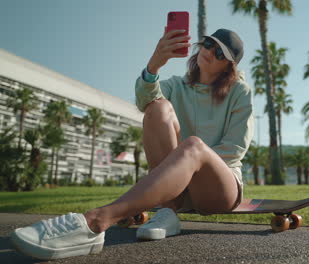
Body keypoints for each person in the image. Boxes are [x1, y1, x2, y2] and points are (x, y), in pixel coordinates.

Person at [10, 28, 254, 260]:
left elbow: (233, 151)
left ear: (228, 66)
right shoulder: (177, 86)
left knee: (194, 147)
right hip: (176, 191)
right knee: (158, 107)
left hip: (219, 188)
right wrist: (154, 64)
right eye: (209, 44)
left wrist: (185, 167)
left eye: (220, 53)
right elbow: (144, 100)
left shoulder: (239, 91)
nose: (210, 52)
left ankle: (95, 221)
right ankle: (168, 212)